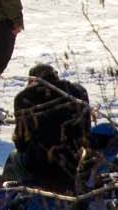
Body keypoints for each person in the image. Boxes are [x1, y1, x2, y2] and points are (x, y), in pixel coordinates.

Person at [7, 64, 89, 192]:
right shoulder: (79, 91)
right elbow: (86, 130)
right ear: (56, 76)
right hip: (75, 160)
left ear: (32, 81)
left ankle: (9, 196)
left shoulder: (23, 98)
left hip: (40, 163)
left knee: (13, 158)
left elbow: (21, 143)